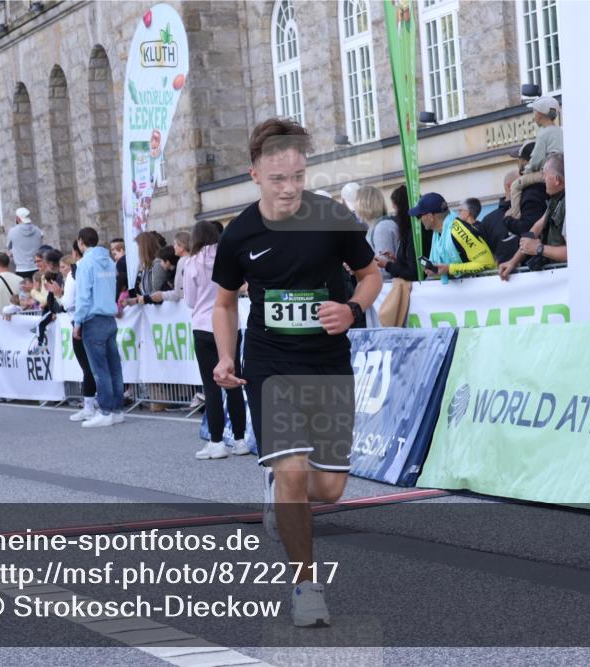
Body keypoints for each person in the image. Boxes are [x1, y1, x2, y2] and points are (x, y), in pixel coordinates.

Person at [211, 118, 382, 627]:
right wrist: (225, 357)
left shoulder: (333, 218)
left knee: (327, 489)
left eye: (298, 177)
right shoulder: (239, 234)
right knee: (291, 471)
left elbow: (371, 276)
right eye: (278, 179)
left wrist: (351, 309)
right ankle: (306, 587)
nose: (289, 189)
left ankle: (282, 492)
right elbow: (223, 305)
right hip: (271, 365)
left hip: (327, 364)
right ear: (255, 175)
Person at [183, 220, 249, 460]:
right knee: (234, 381)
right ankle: (240, 439)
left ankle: (216, 441)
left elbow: (190, 300)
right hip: (231, 324)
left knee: (211, 386)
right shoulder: (227, 256)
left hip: (204, 324)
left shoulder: (192, 263)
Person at [73, 227, 126, 429]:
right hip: (109, 318)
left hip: (93, 319)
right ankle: (117, 410)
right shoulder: (110, 261)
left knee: (100, 370)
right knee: (114, 368)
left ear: (81, 242)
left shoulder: (86, 263)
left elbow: (84, 296)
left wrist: (78, 322)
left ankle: (105, 411)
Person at [499, 153, 568, 281]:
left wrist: (539, 248)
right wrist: (513, 262)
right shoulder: (555, 201)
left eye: (546, 175)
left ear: (557, 180)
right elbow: (536, 228)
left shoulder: (569, 204)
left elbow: (573, 252)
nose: (543, 179)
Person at [411, 193, 496, 278]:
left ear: (430, 217)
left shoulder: (457, 231)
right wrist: (437, 270)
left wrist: (450, 269)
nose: (419, 220)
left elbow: (487, 263)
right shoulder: (438, 233)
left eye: (419, 216)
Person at [61, 240, 99, 422]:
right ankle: (104, 404)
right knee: (100, 365)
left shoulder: (75, 272)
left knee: (87, 366)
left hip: (81, 320)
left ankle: (91, 405)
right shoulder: (101, 265)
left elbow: (69, 302)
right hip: (100, 317)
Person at [508, 97, 562, 219]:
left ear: (540, 115)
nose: (533, 116)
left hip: (547, 172)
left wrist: (526, 171)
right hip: (559, 168)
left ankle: (515, 216)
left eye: (534, 112)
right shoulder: (559, 131)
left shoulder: (543, 133)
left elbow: (537, 159)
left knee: (515, 185)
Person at [376, 184, 433, 280]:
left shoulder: (415, 233)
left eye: (395, 209)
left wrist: (387, 265)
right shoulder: (413, 231)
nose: (395, 214)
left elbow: (414, 273)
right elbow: (415, 263)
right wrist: (396, 261)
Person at [476, 174, 524, 264]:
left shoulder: (531, 212)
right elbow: (486, 255)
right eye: (522, 184)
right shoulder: (488, 221)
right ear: (510, 186)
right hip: (503, 276)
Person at [356, 186, 400, 279]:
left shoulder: (382, 227)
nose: (355, 208)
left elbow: (384, 268)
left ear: (364, 204)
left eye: (356, 202)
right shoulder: (377, 227)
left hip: (387, 288)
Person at [154, 231, 192, 303]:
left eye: (175, 244)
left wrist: (162, 295)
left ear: (182, 247)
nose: (174, 247)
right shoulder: (193, 258)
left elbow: (179, 292)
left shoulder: (182, 261)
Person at [7, 207, 44, 279]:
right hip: (36, 267)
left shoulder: (12, 231)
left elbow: (9, 247)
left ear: (18, 218)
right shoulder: (37, 230)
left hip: (21, 269)